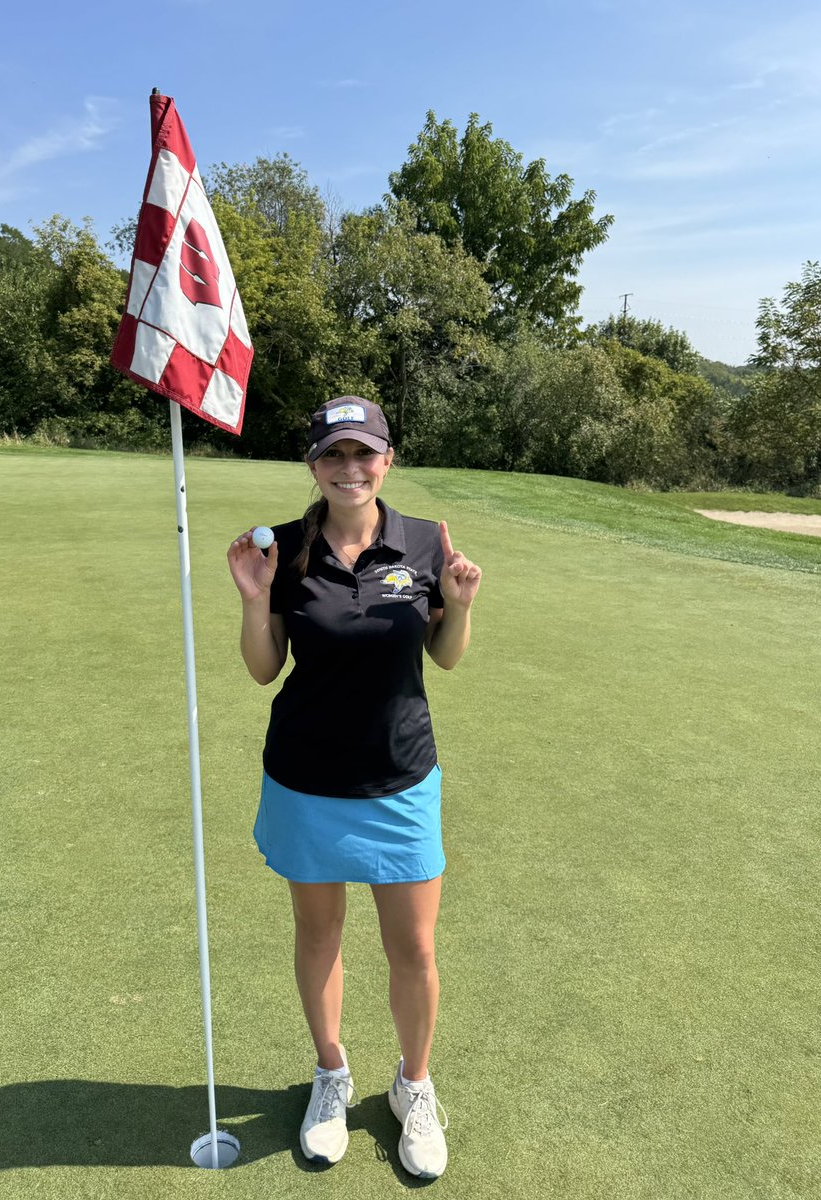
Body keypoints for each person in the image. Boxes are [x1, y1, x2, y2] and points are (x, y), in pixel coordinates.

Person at [226, 397, 481, 1179]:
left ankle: (412, 1086)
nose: (349, 469)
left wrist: (461, 607)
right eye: (333, 455)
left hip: (400, 778)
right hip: (306, 778)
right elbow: (266, 667)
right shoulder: (285, 547)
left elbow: (443, 657)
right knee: (319, 934)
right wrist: (252, 597)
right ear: (313, 465)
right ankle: (331, 1076)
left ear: (387, 460)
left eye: (363, 453)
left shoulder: (425, 542)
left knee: (414, 947)